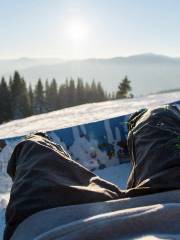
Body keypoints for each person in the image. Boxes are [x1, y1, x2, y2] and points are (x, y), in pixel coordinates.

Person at [3, 104, 180, 240]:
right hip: (173, 199)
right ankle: (141, 123)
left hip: (49, 224)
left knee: (32, 148)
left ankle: (41, 140)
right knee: (160, 115)